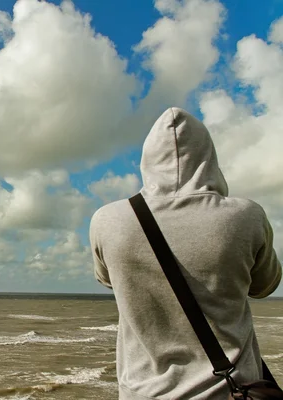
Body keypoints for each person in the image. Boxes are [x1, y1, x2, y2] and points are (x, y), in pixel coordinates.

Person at [89, 107, 282, 399]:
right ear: (208, 157)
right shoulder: (247, 216)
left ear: (147, 160)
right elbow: (264, 286)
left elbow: (108, 279)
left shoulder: (107, 220)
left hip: (142, 393)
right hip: (232, 391)